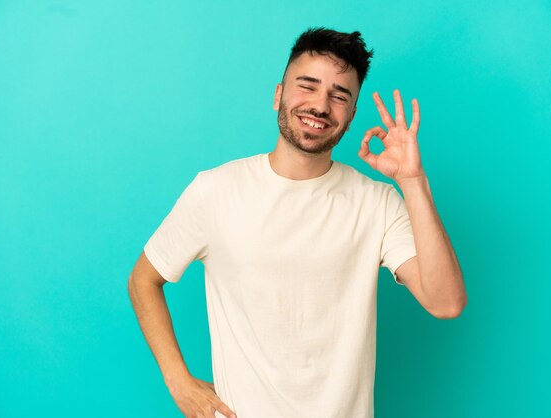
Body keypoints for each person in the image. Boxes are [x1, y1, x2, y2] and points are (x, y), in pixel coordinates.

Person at [128, 27, 467, 418]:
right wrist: (178, 380)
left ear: (351, 115)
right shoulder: (215, 190)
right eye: (307, 86)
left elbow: (446, 302)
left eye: (339, 96)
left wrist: (412, 182)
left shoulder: (377, 203)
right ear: (278, 95)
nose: (320, 106)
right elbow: (143, 279)